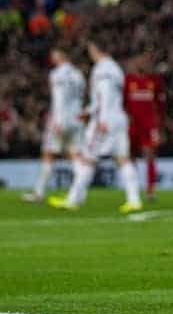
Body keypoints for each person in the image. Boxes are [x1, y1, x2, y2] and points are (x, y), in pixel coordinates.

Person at [49, 42, 143, 214]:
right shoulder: (116, 68)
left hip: (104, 120)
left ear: (94, 49)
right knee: (123, 159)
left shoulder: (101, 69)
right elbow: (110, 97)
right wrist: (88, 110)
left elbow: (104, 96)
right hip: (118, 118)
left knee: (87, 159)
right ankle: (134, 199)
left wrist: (100, 118)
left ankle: (73, 200)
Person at [24, 48, 87, 202]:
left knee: (48, 154)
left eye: (54, 55)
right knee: (76, 155)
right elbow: (80, 97)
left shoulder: (57, 74)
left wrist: (58, 121)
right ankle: (80, 193)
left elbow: (59, 99)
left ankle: (38, 192)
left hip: (61, 120)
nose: (52, 58)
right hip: (77, 119)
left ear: (61, 56)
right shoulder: (79, 75)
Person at [124, 55, 165, 203]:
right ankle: (133, 188)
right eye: (139, 60)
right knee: (130, 156)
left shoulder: (154, 80)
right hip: (132, 125)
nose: (142, 63)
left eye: (145, 61)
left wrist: (159, 127)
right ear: (134, 63)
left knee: (150, 155)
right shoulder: (128, 80)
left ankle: (150, 191)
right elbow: (122, 103)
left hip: (149, 125)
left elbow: (160, 106)